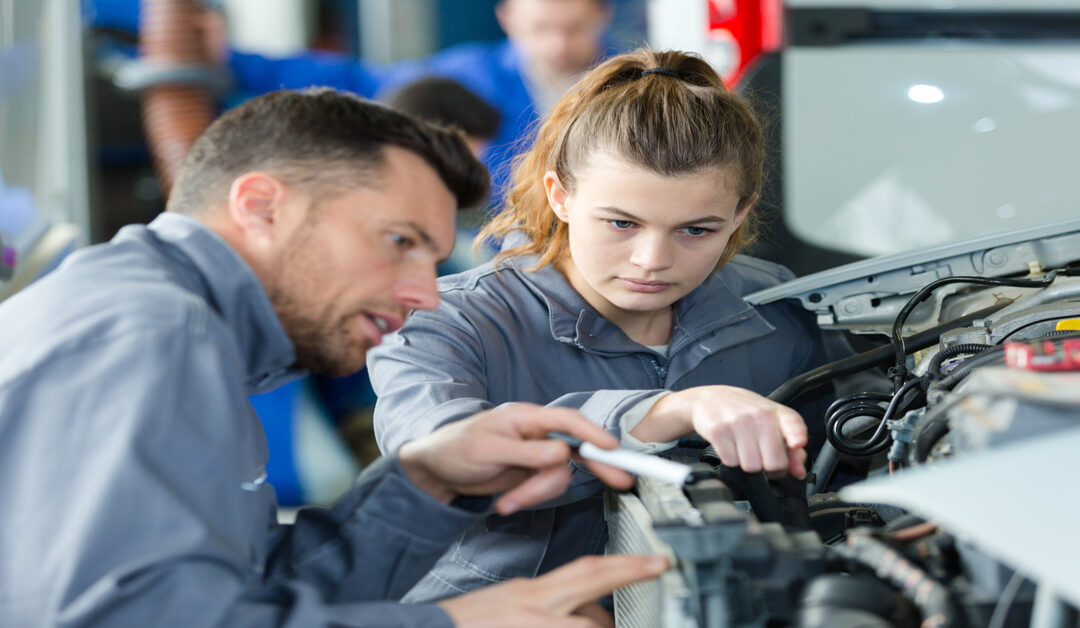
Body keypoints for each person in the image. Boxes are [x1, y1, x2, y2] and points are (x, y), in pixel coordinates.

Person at [0, 87, 669, 626]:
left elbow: (253, 592)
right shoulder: (146, 335)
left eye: (433, 259)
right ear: (261, 206)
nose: (424, 297)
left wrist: (428, 484)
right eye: (398, 241)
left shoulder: (177, 330)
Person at [367, 48, 830, 603]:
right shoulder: (442, 322)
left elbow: (848, 455)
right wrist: (662, 412)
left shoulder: (775, 306)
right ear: (560, 195)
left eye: (696, 230)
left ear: (739, 213)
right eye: (621, 222)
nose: (651, 259)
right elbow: (438, 459)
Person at [229, 0, 614, 191]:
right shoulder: (469, 74)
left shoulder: (631, 84)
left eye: (574, 28)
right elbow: (359, 81)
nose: (558, 45)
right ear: (507, 17)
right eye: (540, 29)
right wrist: (228, 59)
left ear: (603, 15)